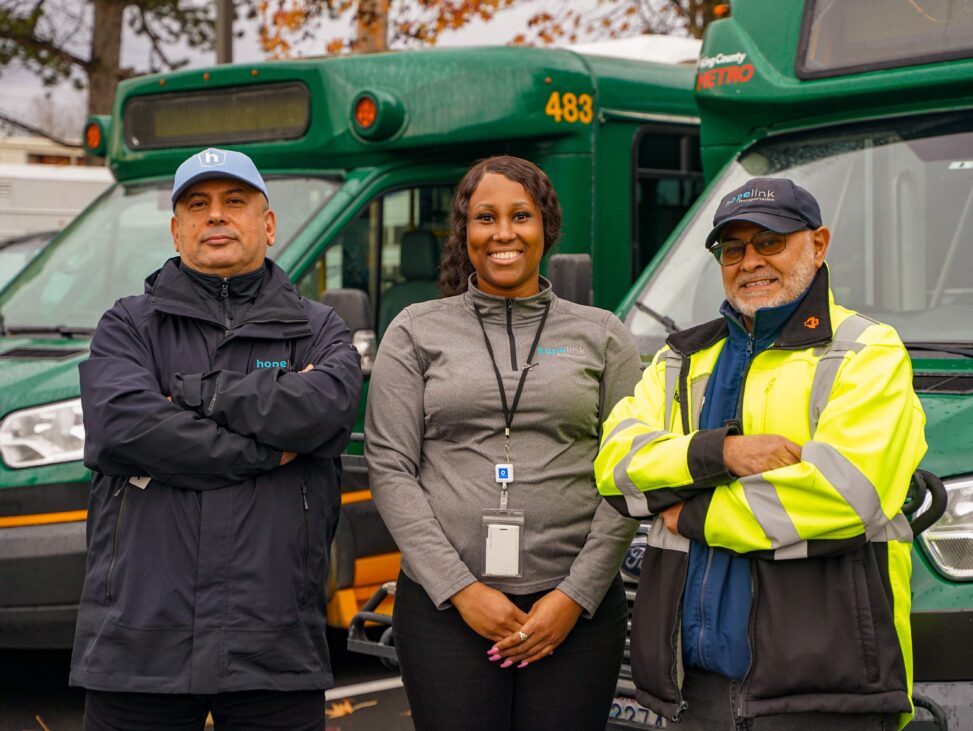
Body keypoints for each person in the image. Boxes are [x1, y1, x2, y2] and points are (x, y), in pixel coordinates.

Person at [595, 177, 927, 731]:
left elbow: (844, 498)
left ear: (818, 245)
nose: (749, 261)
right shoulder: (681, 358)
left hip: (823, 683)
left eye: (770, 242)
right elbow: (615, 467)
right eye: (733, 248)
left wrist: (690, 512)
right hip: (694, 683)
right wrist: (720, 453)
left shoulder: (867, 352)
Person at [69, 148, 363, 730]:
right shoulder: (126, 325)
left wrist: (200, 394)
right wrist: (265, 448)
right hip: (139, 646)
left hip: (275, 649)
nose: (216, 216)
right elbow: (125, 428)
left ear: (268, 223)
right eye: (198, 205)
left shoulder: (319, 328)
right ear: (177, 229)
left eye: (235, 202)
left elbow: (323, 411)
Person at [365, 155, 641, 731]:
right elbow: (391, 467)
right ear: (465, 232)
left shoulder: (603, 334)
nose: (504, 233)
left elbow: (628, 472)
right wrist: (462, 589)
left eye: (521, 215)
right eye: (485, 218)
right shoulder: (416, 330)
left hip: (574, 615)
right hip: (445, 611)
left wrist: (574, 597)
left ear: (546, 227)